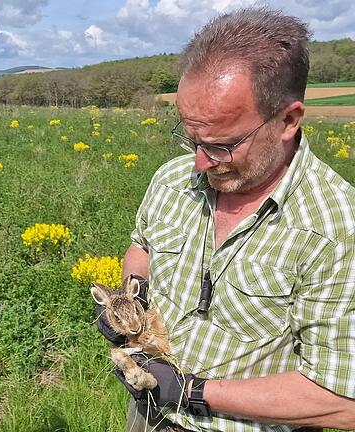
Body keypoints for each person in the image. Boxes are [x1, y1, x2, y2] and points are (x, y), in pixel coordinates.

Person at [98, 7, 355, 432]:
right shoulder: (171, 180)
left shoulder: (337, 229)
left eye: (220, 145)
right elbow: (142, 247)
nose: (198, 162)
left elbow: (343, 401)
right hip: (147, 416)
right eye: (190, 138)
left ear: (288, 120)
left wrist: (191, 391)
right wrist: (131, 302)